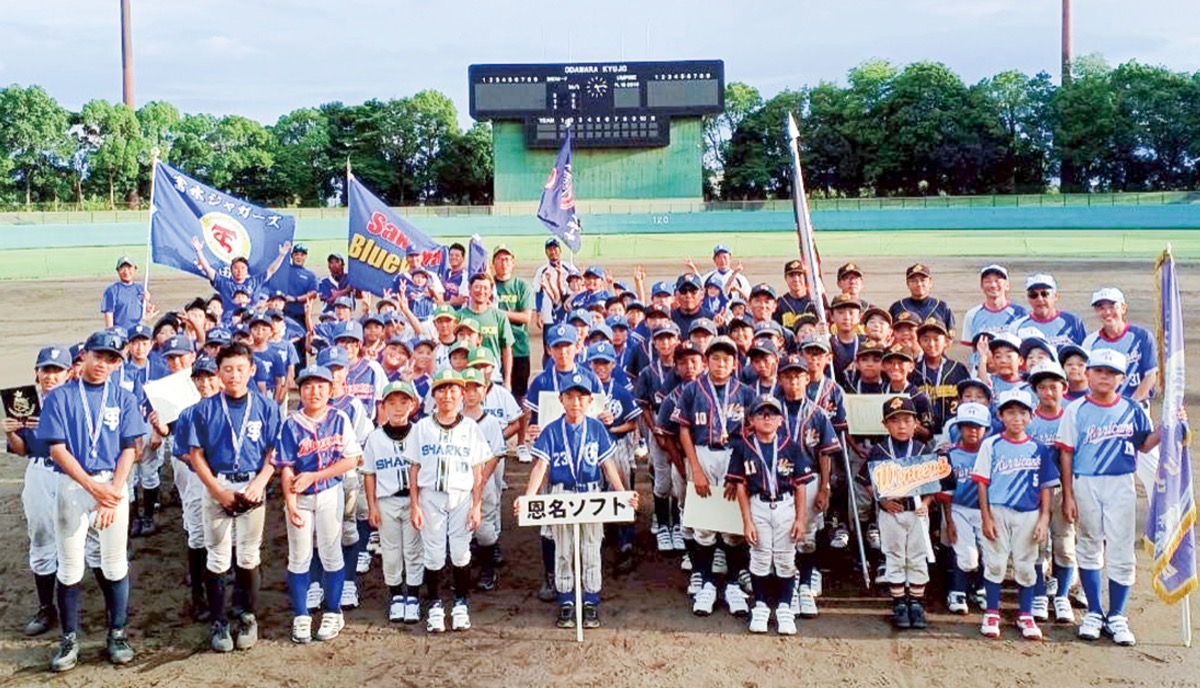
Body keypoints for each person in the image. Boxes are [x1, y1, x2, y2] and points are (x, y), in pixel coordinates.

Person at [37, 330, 148, 671]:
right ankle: (69, 639)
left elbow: (131, 447)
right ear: (84, 354)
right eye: (98, 356)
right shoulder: (61, 396)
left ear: (118, 363)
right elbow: (57, 449)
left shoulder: (124, 397)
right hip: (73, 485)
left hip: (112, 488)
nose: (103, 364)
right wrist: (91, 486)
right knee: (70, 565)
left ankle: (116, 632)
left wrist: (111, 490)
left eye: (111, 359)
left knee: (114, 563)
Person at [1058, 349, 1163, 646]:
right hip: (1086, 481)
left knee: (1120, 547)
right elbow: (1066, 453)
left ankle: (1117, 614)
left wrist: (1166, 427)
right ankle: (1093, 611)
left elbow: (1144, 445)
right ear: (1088, 374)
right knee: (1090, 543)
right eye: (1099, 371)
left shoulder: (1133, 408)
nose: (1105, 377)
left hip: (1120, 482)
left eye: (1111, 373)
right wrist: (1068, 496)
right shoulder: (1075, 410)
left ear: (1122, 378)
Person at [522, 376, 637, 629]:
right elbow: (541, 465)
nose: (576, 402)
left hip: (590, 492)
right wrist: (529, 498)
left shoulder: (596, 428)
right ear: (561, 400)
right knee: (564, 548)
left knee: (591, 546)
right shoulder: (552, 429)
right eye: (570, 397)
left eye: (581, 397)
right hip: (562, 493)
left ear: (589, 401)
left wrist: (621, 493)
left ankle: (590, 600)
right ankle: (566, 599)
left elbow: (609, 465)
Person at [187, 342, 281, 653]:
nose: (234, 375)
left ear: (252, 370)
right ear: (218, 372)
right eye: (227, 369)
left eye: (241, 368)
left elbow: (273, 451)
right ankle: (218, 621)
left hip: (252, 486)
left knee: (248, 555)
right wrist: (217, 490)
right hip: (219, 486)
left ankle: (248, 616)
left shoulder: (266, 407)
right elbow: (195, 454)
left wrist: (261, 482)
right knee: (217, 556)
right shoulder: (206, 408)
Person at [275, 365, 362, 644]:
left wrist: (317, 475)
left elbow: (352, 459)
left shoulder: (339, 418)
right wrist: (290, 504)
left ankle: (333, 611)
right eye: (309, 386)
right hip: (300, 496)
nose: (315, 392)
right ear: (300, 390)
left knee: (330, 552)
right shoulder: (291, 423)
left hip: (329, 491)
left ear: (330, 390)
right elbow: (286, 466)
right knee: (299, 555)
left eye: (321, 386)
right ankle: (301, 615)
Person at [673, 336, 754, 618]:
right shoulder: (693, 390)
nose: (721, 364)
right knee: (704, 525)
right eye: (716, 358)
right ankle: (706, 582)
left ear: (735, 363)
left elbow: (751, 434)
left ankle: (732, 583)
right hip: (703, 453)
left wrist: (738, 472)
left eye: (727, 359)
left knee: (732, 527)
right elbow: (683, 430)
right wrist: (694, 468)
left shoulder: (745, 392)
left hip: (734, 454)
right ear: (706, 361)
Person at [407, 370, 490, 633]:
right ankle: (434, 604)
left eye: (453, 390)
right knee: (432, 553)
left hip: (461, 496)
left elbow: (478, 471)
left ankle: (460, 603)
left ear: (462, 395)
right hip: (430, 495)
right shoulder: (421, 427)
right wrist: (414, 504)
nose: (448, 395)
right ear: (433, 395)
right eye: (442, 390)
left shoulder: (470, 427)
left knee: (460, 551)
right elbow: (414, 468)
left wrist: (477, 505)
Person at [973, 389, 1059, 641]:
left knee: (1026, 564)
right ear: (1000, 415)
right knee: (996, 562)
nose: (1017, 418)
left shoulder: (1039, 449)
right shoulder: (991, 444)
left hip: (1029, 513)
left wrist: (1044, 519)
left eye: (1022, 412)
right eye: (1010, 412)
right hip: (998, 509)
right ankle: (991, 611)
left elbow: (1046, 488)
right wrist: (986, 517)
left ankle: (1026, 614)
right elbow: (982, 483)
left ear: (1031, 417)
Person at [726, 395, 815, 636]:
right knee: (760, 555)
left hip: (785, 505)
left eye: (772, 414)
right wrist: (747, 521)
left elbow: (800, 486)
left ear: (781, 420)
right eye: (761, 414)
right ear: (751, 420)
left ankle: (785, 606)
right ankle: (761, 605)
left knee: (786, 557)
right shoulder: (743, 446)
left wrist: (800, 518)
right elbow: (741, 487)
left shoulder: (791, 446)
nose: (767, 418)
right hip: (759, 504)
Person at [5, 346, 72, 638]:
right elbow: (22, 450)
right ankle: (47, 606)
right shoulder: (25, 403)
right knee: (42, 535)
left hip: (72, 471)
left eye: (57, 370)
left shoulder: (76, 401)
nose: (51, 376)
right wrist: (9, 432)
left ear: (69, 374)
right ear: (37, 373)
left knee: (75, 536)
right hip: (40, 470)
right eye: (46, 370)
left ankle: (75, 605)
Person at [860, 396, 933, 630]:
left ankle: (916, 603)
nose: (901, 426)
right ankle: (899, 601)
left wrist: (927, 503)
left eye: (906, 420)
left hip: (917, 512)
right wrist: (882, 501)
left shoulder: (922, 448)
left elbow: (934, 484)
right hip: (891, 513)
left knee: (917, 556)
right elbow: (866, 481)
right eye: (895, 421)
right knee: (894, 554)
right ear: (886, 425)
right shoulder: (879, 450)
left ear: (915, 423)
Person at [362, 379, 425, 624]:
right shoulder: (375, 438)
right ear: (383, 407)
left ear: (413, 405)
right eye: (392, 403)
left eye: (403, 402)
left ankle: (413, 596)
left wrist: (418, 504)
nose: (398, 408)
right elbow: (369, 474)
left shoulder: (420, 432)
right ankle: (396, 595)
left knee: (412, 549)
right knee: (390, 552)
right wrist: (372, 506)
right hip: (386, 500)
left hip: (413, 500)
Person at [170, 355, 223, 623]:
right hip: (196, 481)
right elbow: (179, 450)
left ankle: (227, 594)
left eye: (210, 377)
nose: (205, 383)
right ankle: (199, 596)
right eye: (200, 378)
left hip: (225, 479)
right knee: (198, 537)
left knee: (227, 538)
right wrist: (203, 463)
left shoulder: (230, 408)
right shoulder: (188, 413)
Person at [942, 403, 991, 616]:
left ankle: (980, 588)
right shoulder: (950, 454)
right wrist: (949, 521)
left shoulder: (991, 452)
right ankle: (957, 590)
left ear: (987, 429)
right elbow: (945, 492)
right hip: (958, 508)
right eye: (967, 426)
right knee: (967, 556)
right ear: (959, 428)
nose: (972, 431)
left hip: (984, 510)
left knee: (988, 553)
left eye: (978, 426)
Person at [491, 245, 535, 461]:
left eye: (508, 259)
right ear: (494, 263)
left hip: (518, 349)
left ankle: (520, 444)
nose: (504, 263)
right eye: (500, 259)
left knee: (520, 398)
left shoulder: (521, 286)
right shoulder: (489, 286)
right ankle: (494, 444)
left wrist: (498, 312)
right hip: (492, 351)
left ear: (513, 262)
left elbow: (526, 317)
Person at [1082, 287, 1158, 402]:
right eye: (1101, 308)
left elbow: (1151, 375)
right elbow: (1086, 378)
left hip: (1137, 405)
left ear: (1123, 308)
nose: (1107, 312)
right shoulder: (1090, 342)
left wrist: (1132, 403)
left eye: (1112, 307)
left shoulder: (1142, 337)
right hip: (1103, 407)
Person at [191, 237, 291, 312]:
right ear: (231, 270)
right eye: (236, 268)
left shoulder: (254, 281)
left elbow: (271, 270)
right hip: (229, 319)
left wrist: (282, 255)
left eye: (243, 268)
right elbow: (208, 269)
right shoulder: (224, 283)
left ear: (247, 270)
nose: (239, 270)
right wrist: (199, 251)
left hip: (251, 318)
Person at [459, 273, 515, 388]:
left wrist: (507, 380)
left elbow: (506, 349)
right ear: (469, 289)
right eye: (477, 287)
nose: (481, 291)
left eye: (485, 288)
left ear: (490, 292)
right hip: (465, 376)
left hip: (492, 376)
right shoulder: (460, 316)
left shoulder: (499, 316)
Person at [960, 264, 1027, 357]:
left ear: (1007, 285)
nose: (993, 285)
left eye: (997, 280)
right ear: (982, 286)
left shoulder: (1020, 313)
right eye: (988, 281)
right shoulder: (972, 314)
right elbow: (972, 348)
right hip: (981, 369)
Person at [1010, 274, 1086, 347]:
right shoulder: (1017, 327)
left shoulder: (1073, 321)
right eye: (1033, 295)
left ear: (1055, 296)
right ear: (1028, 299)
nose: (1039, 299)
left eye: (1045, 294)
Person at [889, 263, 954, 329]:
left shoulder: (942, 307)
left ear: (930, 282)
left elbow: (950, 336)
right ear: (907, 284)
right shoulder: (897, 307)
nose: (919, 284)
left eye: (923, 280)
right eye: (914, 281)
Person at [101, 255, 152, 331]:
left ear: (135, 269)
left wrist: (147, 300)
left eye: (129, 268)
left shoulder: (140, 289)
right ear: (118, 271)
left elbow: (147, 311)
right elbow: (108, 314)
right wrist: (111, 333)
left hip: (137, 332)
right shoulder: (112, 290)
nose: (126, 271)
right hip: (120, 332)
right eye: (122, 268)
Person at [774, 259, 823, 330]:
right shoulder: (781, 303)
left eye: (799, 275)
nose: (796, 279)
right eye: (791, 275)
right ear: (785, 278)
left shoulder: (814, 300)